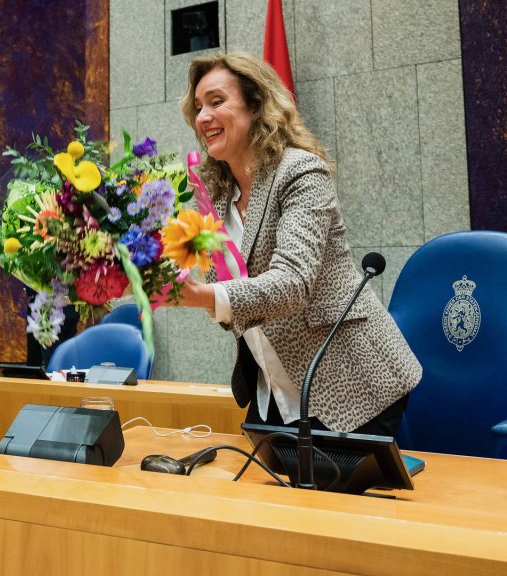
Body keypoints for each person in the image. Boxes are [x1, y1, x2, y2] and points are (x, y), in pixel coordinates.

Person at [170, 52, 421, 435]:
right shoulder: (215, 196)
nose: (203, 117)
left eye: (217, 101)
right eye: (199, 107)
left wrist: (203, 296)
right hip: (272, 388)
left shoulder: (301, 172)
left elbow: (292, 283)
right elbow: (232, 299)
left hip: (350, 384)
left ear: (255, 106)